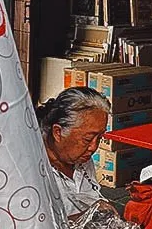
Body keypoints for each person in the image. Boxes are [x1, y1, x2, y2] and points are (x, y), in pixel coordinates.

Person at [39, 87, 113, 218]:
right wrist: (86, 217)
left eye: (100, 138)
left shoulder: (80, 158)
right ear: (58, 132)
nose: (93, 147)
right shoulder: (34, 169)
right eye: (87, 139)